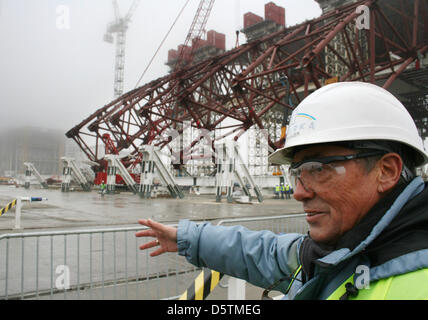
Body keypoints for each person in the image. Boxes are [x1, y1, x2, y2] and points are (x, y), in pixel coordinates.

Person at [136, 82, 428, 300]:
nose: (299, 192)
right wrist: (190, 238)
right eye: (298, 173)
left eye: (319, 168)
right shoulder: (335, 250)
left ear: (386, 170)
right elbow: (266, 252)